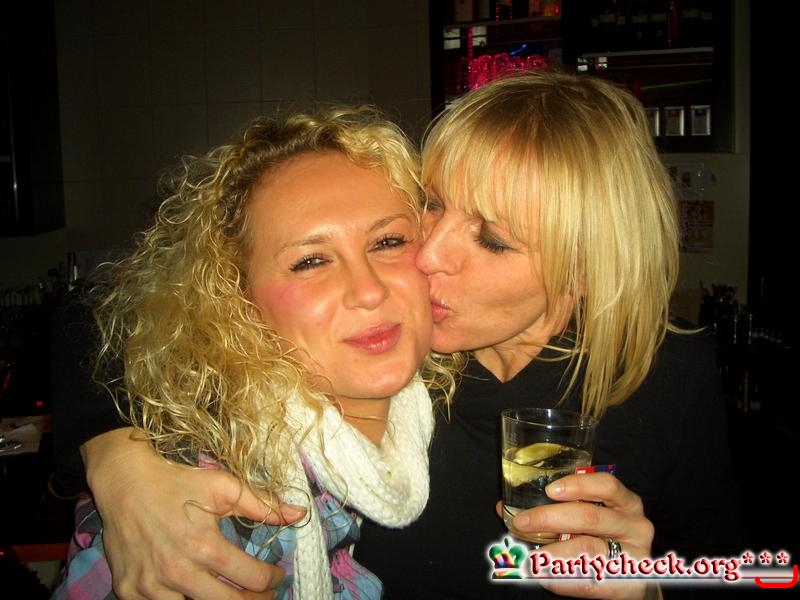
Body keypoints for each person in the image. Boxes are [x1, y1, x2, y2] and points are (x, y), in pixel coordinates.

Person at [53, 70, 745, 599]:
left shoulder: (668, 373)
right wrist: (119, 462)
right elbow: (113, 311)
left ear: (586, 271)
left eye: (492, 240)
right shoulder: (388, 350)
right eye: (432, 204)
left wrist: (647, 589)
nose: (427, 254)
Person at [50, 105, 460, 600]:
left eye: (388, 241)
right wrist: (118, 463)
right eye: (310, 261)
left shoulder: (464, 394)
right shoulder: (215, 512)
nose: (368, 291)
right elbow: (89, 311)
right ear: (237, 300)